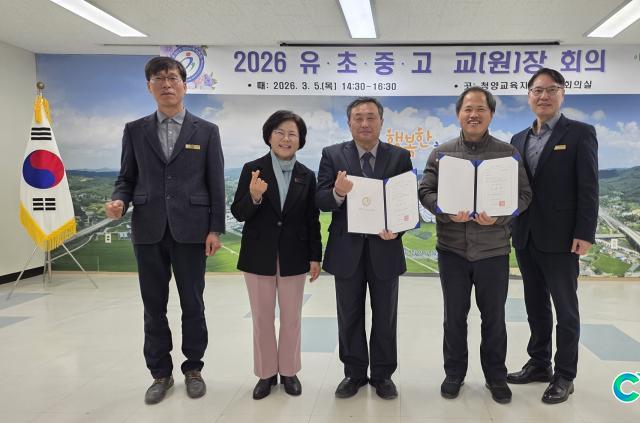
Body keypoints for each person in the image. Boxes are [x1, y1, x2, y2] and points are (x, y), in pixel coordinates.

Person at [105, 56, 225, 405]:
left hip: (192, 230)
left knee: (193, 304)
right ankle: (160, 373)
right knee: (153, 306)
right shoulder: (135, 130)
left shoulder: (206, 130)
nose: (167, 84)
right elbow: (126, 178)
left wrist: (215, 229)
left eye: (173, 78)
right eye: (159, 79)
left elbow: (215, 183)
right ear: (150, 86)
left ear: (185, 85)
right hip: (148, 229)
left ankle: (193, 369)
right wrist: (119, 200)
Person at [418, 86, 532, 404]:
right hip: (452, 249)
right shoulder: (442, 153)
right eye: (468, 108)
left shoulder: (507, 153)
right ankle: (454, 373)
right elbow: (425, 189)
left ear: (491, 114)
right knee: (454, 317)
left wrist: (498, 217)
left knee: (493, 318)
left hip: (493, 250)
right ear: (458, 114)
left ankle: (496, 377)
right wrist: (444, 209)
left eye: (481, 109)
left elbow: (524, 195)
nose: (474, 114)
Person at [507, 68, 599, 404]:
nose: (543, 96)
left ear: (562, 94)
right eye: (537, 90)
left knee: (566, 308)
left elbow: (588, 186)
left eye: (551, 89)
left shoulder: (580, 133)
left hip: (562, 238)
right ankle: (539, 363)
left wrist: (584, 232)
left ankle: (565, 375)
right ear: (529, 95)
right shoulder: (518, 139)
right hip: (526, 235)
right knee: (535, 305)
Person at [316, 97, 412, 400]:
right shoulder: (332, 154)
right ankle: (353, 373)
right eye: (358, 117)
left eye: (371, 117)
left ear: (381, 121)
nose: (365, 123)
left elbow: (406, 203)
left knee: (385, 317)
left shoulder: (399, 156)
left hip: (386, 249)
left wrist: (398, 229)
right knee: (349, 315)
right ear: (349, 123)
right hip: (347, 250)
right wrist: (337, 192)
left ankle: (383, 375)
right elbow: (320, 199)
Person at [230, 110, 322, 400]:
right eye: (279, 132)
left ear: (300, 140)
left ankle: (290, 371)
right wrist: (254, 196)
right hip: (259, 255)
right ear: (269, 136)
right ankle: (266, 373)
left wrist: (315, 257)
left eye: (292, 134)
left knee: (292, 318)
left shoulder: (306, 175)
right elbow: (238, 212)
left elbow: (312, 219)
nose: (286, 138)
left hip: (295, 255)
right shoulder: (252, 169)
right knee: (262, 317)